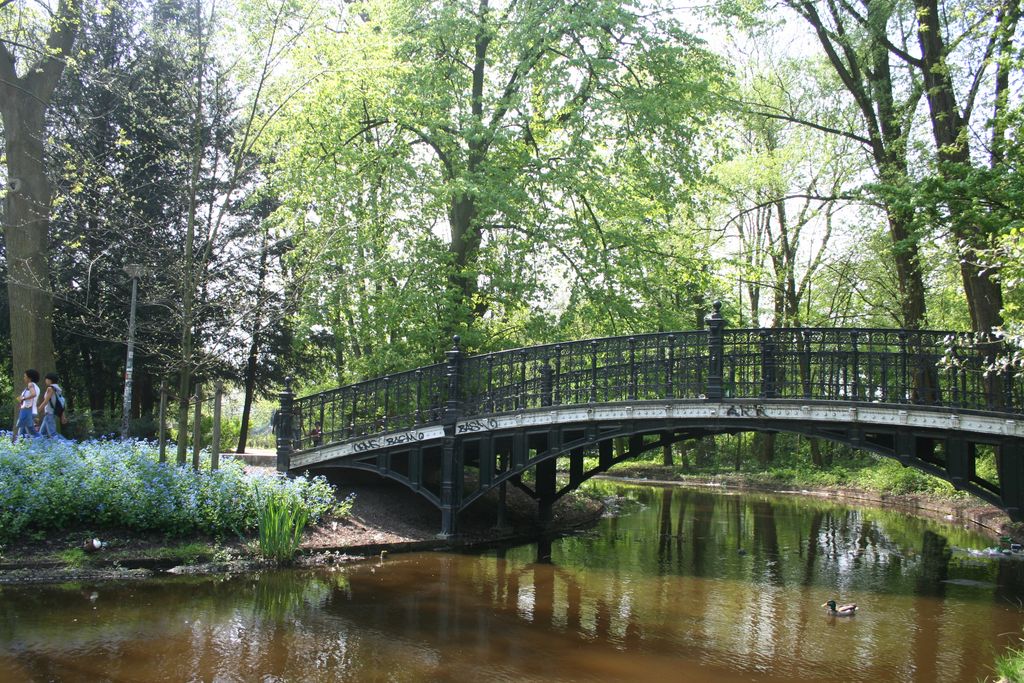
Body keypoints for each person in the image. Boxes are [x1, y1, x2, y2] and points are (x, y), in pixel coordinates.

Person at [13, 369, 41, 442]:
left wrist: (23, 398)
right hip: (30, 410)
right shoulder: (36, 387)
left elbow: (33, 394)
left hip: (28, 411)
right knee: (22, 431)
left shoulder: (30, 384)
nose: (24, 378)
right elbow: (34, 399)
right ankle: (20, 447)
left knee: (30, 430)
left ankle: (43, 441)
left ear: (30, 378)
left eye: (25, 376)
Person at [37, 372, 64, 439]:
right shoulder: (58, 389)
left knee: (53, 434)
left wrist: (38, 409)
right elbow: (60, 403)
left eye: (46, 379)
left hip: (49, 414)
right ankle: (40, 448)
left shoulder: (50, 388)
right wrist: (62, 415)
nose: (45, 381)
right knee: (42, 434)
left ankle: (68, 445)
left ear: (49, 380)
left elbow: (46, 401)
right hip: (51, 414)